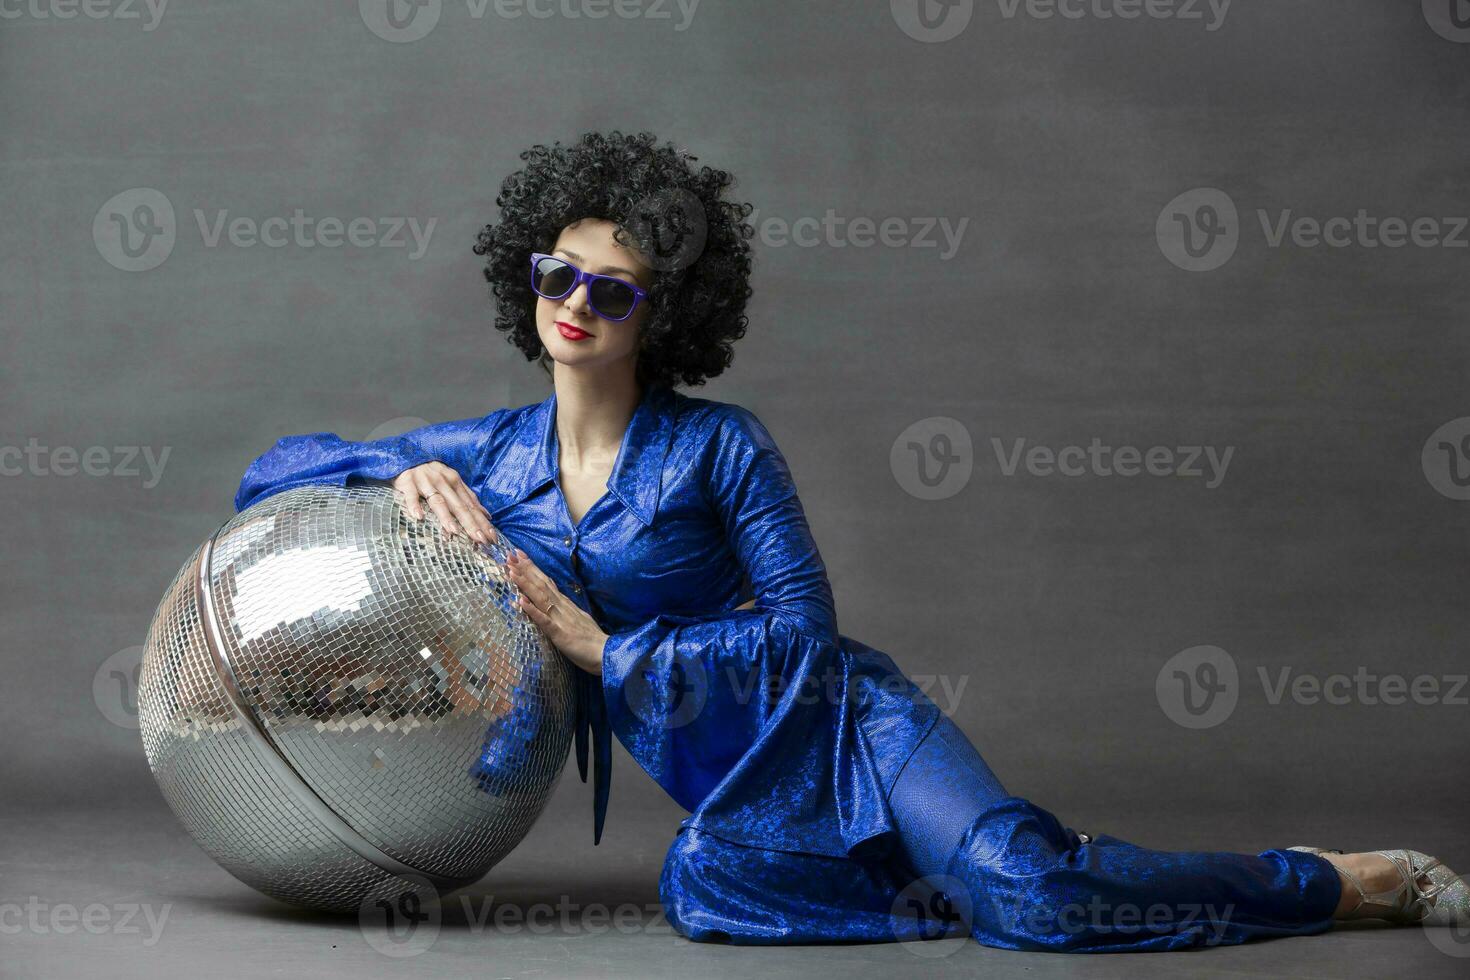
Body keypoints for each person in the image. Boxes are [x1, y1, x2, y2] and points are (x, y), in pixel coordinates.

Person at [233, 130, 1466, 952]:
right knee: (702, 885)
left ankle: (1344, 877)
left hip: (847, 729)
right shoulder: (493, 455)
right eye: (560, 275)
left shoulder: (723, 448)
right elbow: (270, 471)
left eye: (613, 290)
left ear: (664, 315)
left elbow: (804, 633)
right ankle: (934, 886)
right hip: (737, 800)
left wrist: (609, 653)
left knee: (1037, 898)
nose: (575, 305)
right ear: (528, 280)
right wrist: (409, 473)